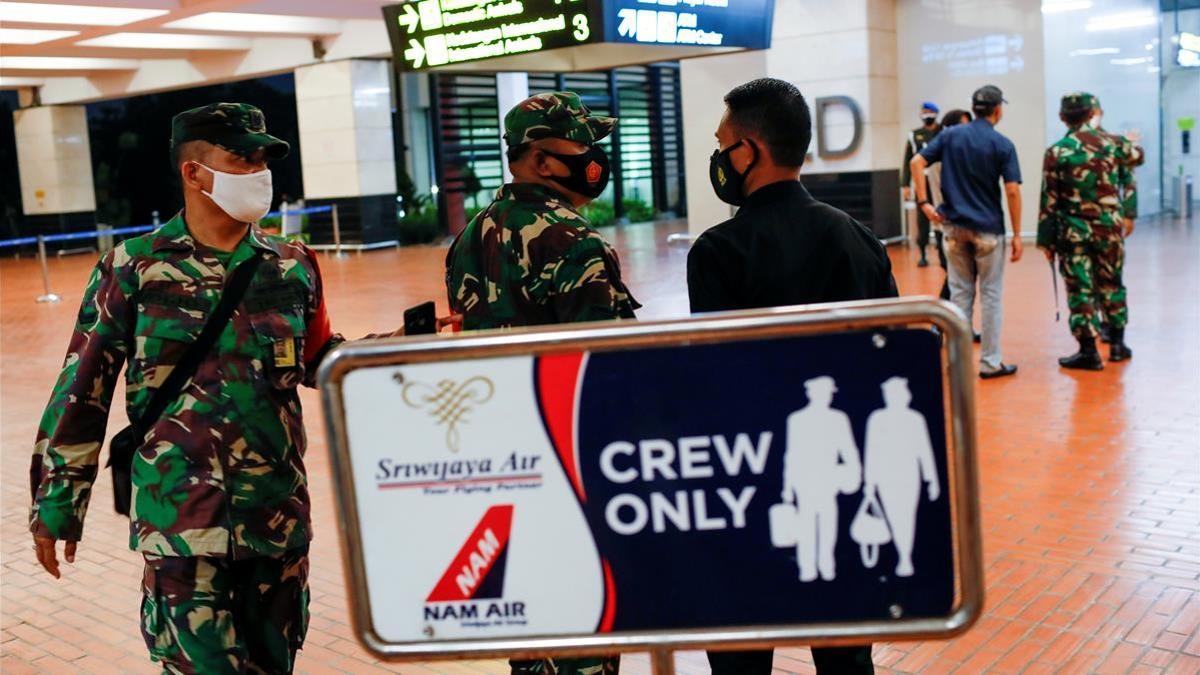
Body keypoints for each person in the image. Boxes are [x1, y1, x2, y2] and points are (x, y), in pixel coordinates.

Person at [28, 103, 351, 673]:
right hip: (181, 523)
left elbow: (319, 355)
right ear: (194, 172)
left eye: (261, 159)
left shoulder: (292, 264)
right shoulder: (133, 268)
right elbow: (82, 389)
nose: (258, 171)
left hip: (276, 519)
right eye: (241, 157)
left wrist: (401, 350)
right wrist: (58, 503)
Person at [688, 76, 895, 675]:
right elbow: (890, 359)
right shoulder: (859, 240)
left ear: (748, 151)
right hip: (839, 479)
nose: (719, 156)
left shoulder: (719, 252)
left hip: (748, 483)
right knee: (845, 647)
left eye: (723, 143)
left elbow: (716, 375)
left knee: (742, 648)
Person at [445, 91, 637, 675]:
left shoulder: (469, 237)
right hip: (569, 472)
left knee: (528, 637)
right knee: (585, 637)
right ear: (543, 160)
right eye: (583, 145)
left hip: (499, 472)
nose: (594, 157)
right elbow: (609, 373)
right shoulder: (574, 242)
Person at [911, 85, 1024, 379]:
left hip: (954, 228)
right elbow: (1012, 191)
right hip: (988, 231)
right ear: (998, 110)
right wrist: (1016, 234)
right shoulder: (1002, 144)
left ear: (974, 109)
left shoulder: (949, 136)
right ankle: (990, 363)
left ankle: (956, 363)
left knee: (960, 294)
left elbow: (916, 161)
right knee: (991, 295)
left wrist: (924, 203)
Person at [1036, 92, 1136, 369]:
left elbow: (1049, 200)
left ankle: (1089, 351)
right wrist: (1129, 213)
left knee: (1080, 290)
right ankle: (1117, 344)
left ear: (1062, 117)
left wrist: (1046, 241)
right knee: (1112, 284)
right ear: (1092, 114)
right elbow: (1136, 161)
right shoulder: (1114, 144)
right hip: (1109, 231)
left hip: (1074, 233)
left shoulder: (1057, 152)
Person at [783, 377, 862, 582]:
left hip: (829, 481)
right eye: (823, 392)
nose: (827, 396)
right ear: (811, 394)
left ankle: (827, 566)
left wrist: (855, 473)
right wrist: (787, 487)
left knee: (828, 525)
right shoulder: (797, 419)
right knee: (806, 527)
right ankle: (807, 568)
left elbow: (848, 449)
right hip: (805, 481)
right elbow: (791, 454)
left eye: (829, 393)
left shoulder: (838, 418)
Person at [863, 377, 940, 578]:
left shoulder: (915, 418)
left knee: (907, 515)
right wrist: (869, 481)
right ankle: (902, 555)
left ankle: (905, 556)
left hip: (908, 472)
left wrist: (931, 478)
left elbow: (924, 450)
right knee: (893, 515)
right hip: (885, 473)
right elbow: (871, 451)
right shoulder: (877, 418)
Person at [1090, 97, 1143, 344]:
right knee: (1088, 280)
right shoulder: (1071, 144)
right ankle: (1101, 323)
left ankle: (1114, 329)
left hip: (1109, 222)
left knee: (1110, 278)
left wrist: (1129, 214)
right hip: (1082, 225)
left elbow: (1128, 178)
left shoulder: (1114, 143)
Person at [927, 109, 973, 301]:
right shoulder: (939, 157)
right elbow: (941, 197)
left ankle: (951, 325)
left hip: (963, 226)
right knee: (957, 281)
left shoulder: (959, 154)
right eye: (963, 126)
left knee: (960, 281)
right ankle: (939, 322)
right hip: (947, 227)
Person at [902, 102, 943, 267]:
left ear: (935, 113)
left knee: (940, 213)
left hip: (939, 179)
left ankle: (942, 250)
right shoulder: (915, 135)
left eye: (929, 111)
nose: (926, 114)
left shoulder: (944, 132)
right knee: (922, 217)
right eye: (924, 111)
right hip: (921, 179)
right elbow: (908, 161)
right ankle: (923, 253)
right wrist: (905, 184)